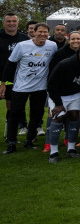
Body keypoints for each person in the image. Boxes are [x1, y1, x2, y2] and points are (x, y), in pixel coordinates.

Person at [2, 23, 57, 154]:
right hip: (21, 87)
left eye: (45, 32)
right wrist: (3, 83)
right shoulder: (22, 46)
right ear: (34, 32)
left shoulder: (52, 46)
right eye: (40, 32)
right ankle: (11, 142)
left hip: (40, 87)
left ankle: (29, 140)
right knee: (14, 114)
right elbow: (10, 64)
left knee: (36, 114)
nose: (43, 34)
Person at [0, 13, 30, 138]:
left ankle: (11, 136)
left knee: (11, 107)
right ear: (3, 23)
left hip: (17, 79)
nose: (11, 23)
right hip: (0, 77)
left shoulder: (24, 38)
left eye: (14, 21)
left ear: (18, 23)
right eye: (8, 21)